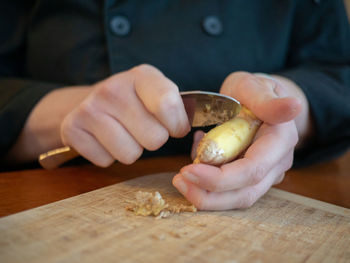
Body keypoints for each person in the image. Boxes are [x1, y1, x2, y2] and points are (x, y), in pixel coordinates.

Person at [1, 0, 350, 210]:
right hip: (65, 186)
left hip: (285, 189)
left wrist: (276, 104)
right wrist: (69, 111)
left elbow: (337, 71)